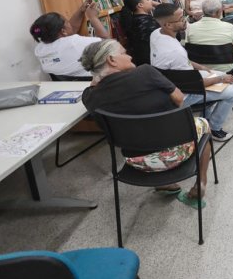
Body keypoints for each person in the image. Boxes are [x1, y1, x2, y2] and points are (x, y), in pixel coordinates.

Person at [80, 39, 212, 209]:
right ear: (112, 60)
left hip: (136, 162)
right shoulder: (146, 73)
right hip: (176, 154)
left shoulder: (89, 96)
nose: (129, 56)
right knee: (203, 123)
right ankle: (201, 182)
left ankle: (165, 184)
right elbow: (179, 99)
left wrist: (98, 76)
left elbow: (94, 85)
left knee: (144, 135)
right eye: (123, 53)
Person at [150, 4, 233, 141]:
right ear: (168, 25)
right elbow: (196, 84)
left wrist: (201, 67)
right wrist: (221, 78)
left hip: (171, 82)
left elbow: (182, 62)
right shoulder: (175, 52)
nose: (186, 19)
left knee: (212, 73)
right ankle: (214, 128)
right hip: (182, 94)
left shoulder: (156, 34)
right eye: (181, 18)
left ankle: (207, 115)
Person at [186, 0, 233, 96]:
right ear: (219, 12)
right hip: (225, 67)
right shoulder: (229, 27)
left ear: (203, 11)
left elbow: (188, 49)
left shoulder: (190, 28)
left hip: (199, 69)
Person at [30, 0, 110, 77]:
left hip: (69, 85)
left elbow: (70, 31)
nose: (70, 23)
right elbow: (108, 44)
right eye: (67, 22)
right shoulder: (74, 43)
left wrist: (81, 11)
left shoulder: (40, 49)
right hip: (95, 83)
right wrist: (93, 17)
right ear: (63, 31)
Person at [121, 0, 159, 66]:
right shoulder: (148, 22)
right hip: (152, 62)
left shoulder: (132, 20)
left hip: (139, 61)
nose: (151, 1)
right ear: (140, 5)